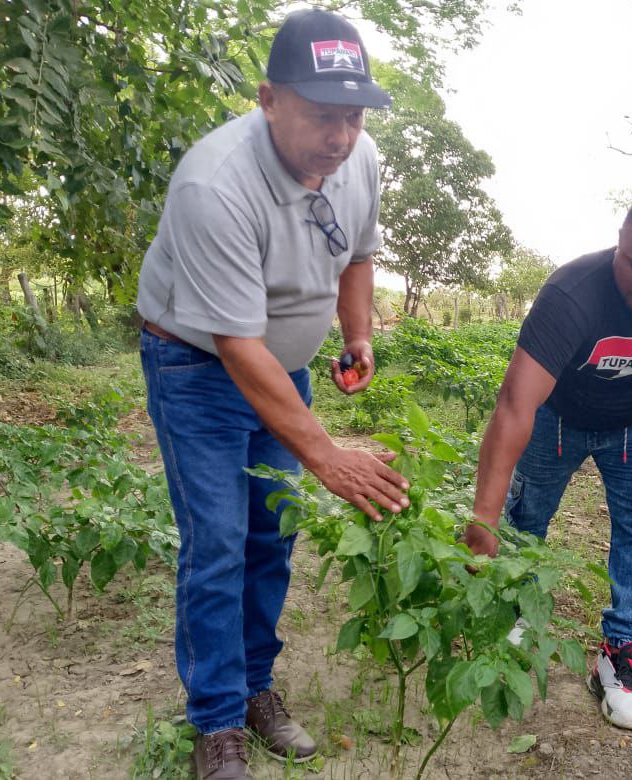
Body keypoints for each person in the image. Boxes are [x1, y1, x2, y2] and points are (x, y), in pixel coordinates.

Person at [136, 9, 409, 779]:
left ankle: (257, 687)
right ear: (268, 98)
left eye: (353, 116)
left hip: (283, 369)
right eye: (322, 116)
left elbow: (357, 252)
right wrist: (327, 455)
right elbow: (234, 344)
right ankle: (217, 722)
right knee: (218, 543)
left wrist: (357, 337)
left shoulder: (361, 158)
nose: (340, 136)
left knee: (272, 536)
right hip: (197, 367)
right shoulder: (213, 185)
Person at [464, 181, 632, 733]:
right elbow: (517, 404)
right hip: (556, 416)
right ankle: (515, 612)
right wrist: (482, 520)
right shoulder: (574, 292)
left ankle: (621, 653)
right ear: (619, 239)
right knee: (527, 519)